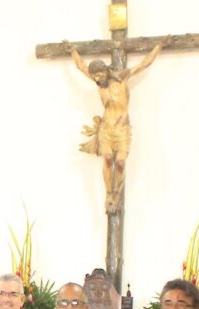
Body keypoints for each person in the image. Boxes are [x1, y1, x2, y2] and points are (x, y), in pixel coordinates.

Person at [65, 39, 167, 214]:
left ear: (105, 71)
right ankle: (108, 194)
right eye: (94, 76)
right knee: (107, 159)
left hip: (122, 131)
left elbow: (144, 64)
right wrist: (72, 50)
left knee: (119, 162)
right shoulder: (98, 83)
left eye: (99, 75)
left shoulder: (122, 78)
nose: (97, 79)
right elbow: (81, 67)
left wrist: (158, 46)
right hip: (106, 129)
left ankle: (116, 193)